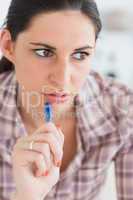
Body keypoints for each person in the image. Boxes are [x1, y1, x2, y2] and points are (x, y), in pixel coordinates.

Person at [0, 0, 133, 199]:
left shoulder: (123, 108)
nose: (62, 79)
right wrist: (26, 195)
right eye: (44, 52)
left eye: (80, 54)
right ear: (9, 46)